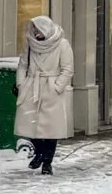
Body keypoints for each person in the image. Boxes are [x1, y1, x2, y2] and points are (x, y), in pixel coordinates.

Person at [16, 12, 74, 174]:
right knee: (29, 124)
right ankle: (39, 154)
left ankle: (47, 161)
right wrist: (21, 83)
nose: (35, 33)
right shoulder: (31, 44)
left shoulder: (62, 44)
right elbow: (23, 64)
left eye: (38, 29)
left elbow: (67, 68)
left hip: (51, 88)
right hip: (32, 86)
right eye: (33, 29)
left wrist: (57, 86)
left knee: (50, 128)